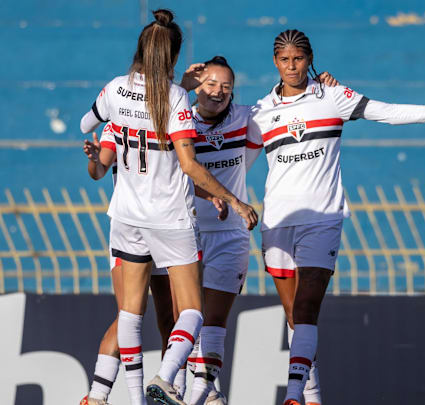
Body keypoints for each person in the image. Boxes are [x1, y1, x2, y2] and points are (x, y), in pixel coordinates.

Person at [246, 29, 425, 405]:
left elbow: (386, 112)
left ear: (310, 58)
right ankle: (312, 396)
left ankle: (293, 393)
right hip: (277, 221)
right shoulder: (261, 112)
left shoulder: (333, 96)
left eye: (298, 59)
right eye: (284, 60)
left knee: (308, 306)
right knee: (295, 315)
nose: (292, 66)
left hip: (323, 218)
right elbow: (235, 160)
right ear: (275, 63)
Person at [80, 9, 258, 405]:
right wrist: (232, 198)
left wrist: (97, 149)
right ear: (175, 57)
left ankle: (128, 397)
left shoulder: (115, 93)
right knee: (190, 311)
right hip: (170, 220)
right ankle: (163, 378)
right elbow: (188, 164)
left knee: (132, 314)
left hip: (126, 218)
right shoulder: (177, 99)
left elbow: (86, 127)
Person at [177, 57, 338, 405]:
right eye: (210, 85)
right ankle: (201, 393)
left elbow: (290, 104)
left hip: (230, 232)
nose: (218, 92)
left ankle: (201, 395)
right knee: (185, 319)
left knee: (216, 319)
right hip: (184, 229)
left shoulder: (248, 116)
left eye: (226, 87)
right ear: (197, 87)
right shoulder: (181, 120)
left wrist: (317, 88)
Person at [80, 123, 180, 405]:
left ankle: (170, 388)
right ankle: (97, 396)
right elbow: (99, 172)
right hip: (129, 230)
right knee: (128, 313)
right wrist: (93, 159)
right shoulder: (119, 122)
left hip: (168, 227)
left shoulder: (174, 116)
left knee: (171, 318)